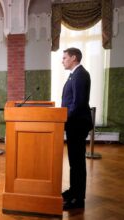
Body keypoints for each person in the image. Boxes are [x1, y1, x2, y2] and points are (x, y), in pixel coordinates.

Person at [61, 47, 93, 210]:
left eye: (65, 57)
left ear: (74, 58)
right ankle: (73, 190)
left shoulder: (80, 74)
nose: (63, 60)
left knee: (78, 163)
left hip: (77, 124)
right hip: (73, 124)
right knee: (74, 162)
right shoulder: (75, 74)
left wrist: (64, 117)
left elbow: (78, 103)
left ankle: (78, 199)